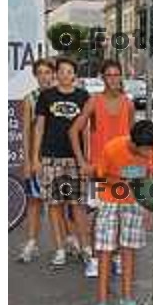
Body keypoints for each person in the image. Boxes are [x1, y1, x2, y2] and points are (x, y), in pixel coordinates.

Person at [90, 120, 153, 305]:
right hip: (109, 199)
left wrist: (149, 207)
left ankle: (127, 301)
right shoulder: (113, 148)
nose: (148, 154)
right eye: (145, 150)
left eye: (151, 149)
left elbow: (151, 176)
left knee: (128, 251)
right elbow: (100, 175)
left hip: (135, 201)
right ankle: (102, 304)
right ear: (134, 143)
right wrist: (123, 178)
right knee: (105, 251)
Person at [69, 59, 135, 277]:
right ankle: (97, 259)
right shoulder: (94, 101)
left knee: (119, 215)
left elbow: (134, 139)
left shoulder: (128, 103)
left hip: (123, 170)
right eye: (109, 75)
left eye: (117, 75)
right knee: (99, 216)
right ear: (103, 78)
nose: (114, 79)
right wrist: (82, 162)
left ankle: (114, 256)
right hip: (99, 168)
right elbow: (73, 131)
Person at [32, 57, 93, 268]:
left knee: (77, 204)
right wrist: (35, 158)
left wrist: (87, 158)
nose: (65, 75)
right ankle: (60, 248)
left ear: (74, 75)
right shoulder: (46, 96)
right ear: (56, 74)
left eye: (69, 71)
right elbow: (38, 128)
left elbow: (86, 131)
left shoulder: (83, 96)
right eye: (62, 71)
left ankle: (85, 247)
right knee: (55, 205)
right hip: (51, 156)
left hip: (75, 158)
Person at [18, 58, 56, 263]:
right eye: (40, 72)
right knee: (34, 202)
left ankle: (68, 241)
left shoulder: (60, 97)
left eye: (47, 72)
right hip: (37, 158)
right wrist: (27, 161)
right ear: (35, 76)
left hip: (58, 158)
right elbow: (25, 132)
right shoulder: (29, 99)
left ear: (53, 74)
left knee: (62, 203)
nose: (44, 76)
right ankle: (31, 243)